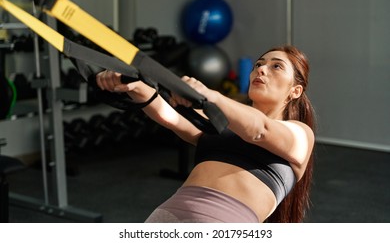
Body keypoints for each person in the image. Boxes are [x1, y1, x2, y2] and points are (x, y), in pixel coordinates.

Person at [95, 45, 316, 223]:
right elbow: (169, 116)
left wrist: (212, 97)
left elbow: (260, 130)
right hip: (167, 217)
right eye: (259, 64)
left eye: (276, 66)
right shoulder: (218, 122)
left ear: (295, 91)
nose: (261, 69)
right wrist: (133, 86)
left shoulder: (300, 134)